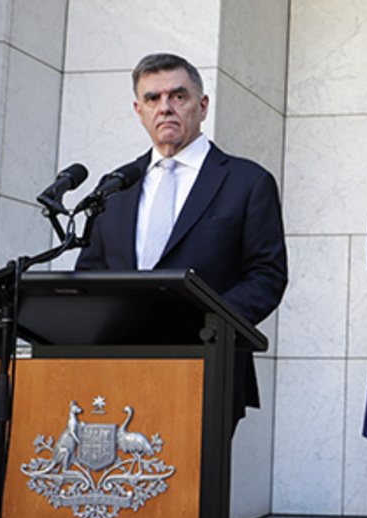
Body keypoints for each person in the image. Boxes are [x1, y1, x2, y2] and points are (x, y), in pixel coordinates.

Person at [76, 53, 288, 418]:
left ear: (202, 106)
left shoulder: (247, 182)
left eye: (178, 96)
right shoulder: (115, 187)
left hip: (208, 367)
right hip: (117, 372)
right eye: (152, 99)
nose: (165, 108)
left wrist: (204, 323)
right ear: (139, 110)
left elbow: (266, 276)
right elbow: (90, 273)